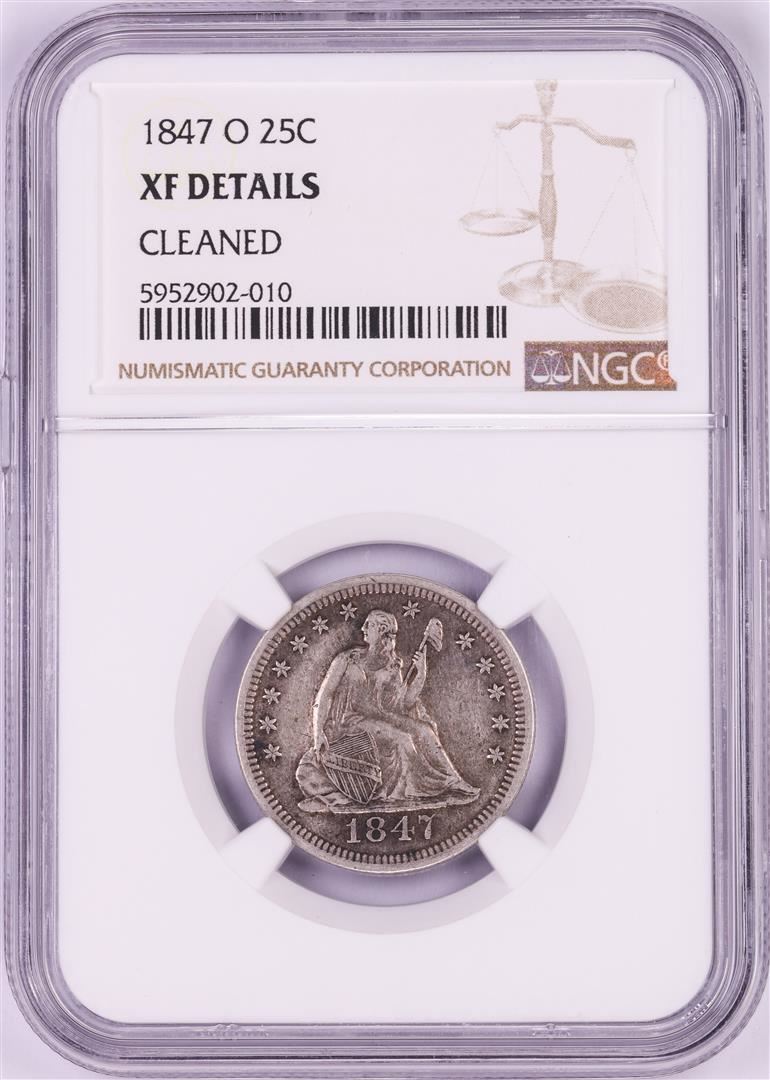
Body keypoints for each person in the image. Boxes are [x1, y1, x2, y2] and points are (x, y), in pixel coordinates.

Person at [296, 609, 479, 811]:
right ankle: (412, 791)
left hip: (379, 717)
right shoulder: (347, 659)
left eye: (370, 625)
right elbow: (325, 695)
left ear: (381, 631)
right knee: (402, 738)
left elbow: (403, 704)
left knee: (424, 730)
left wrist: (421, 674)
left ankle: (453, 781)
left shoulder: (392, 664)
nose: (363, 628)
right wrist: (317, 733)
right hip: (348, 723)